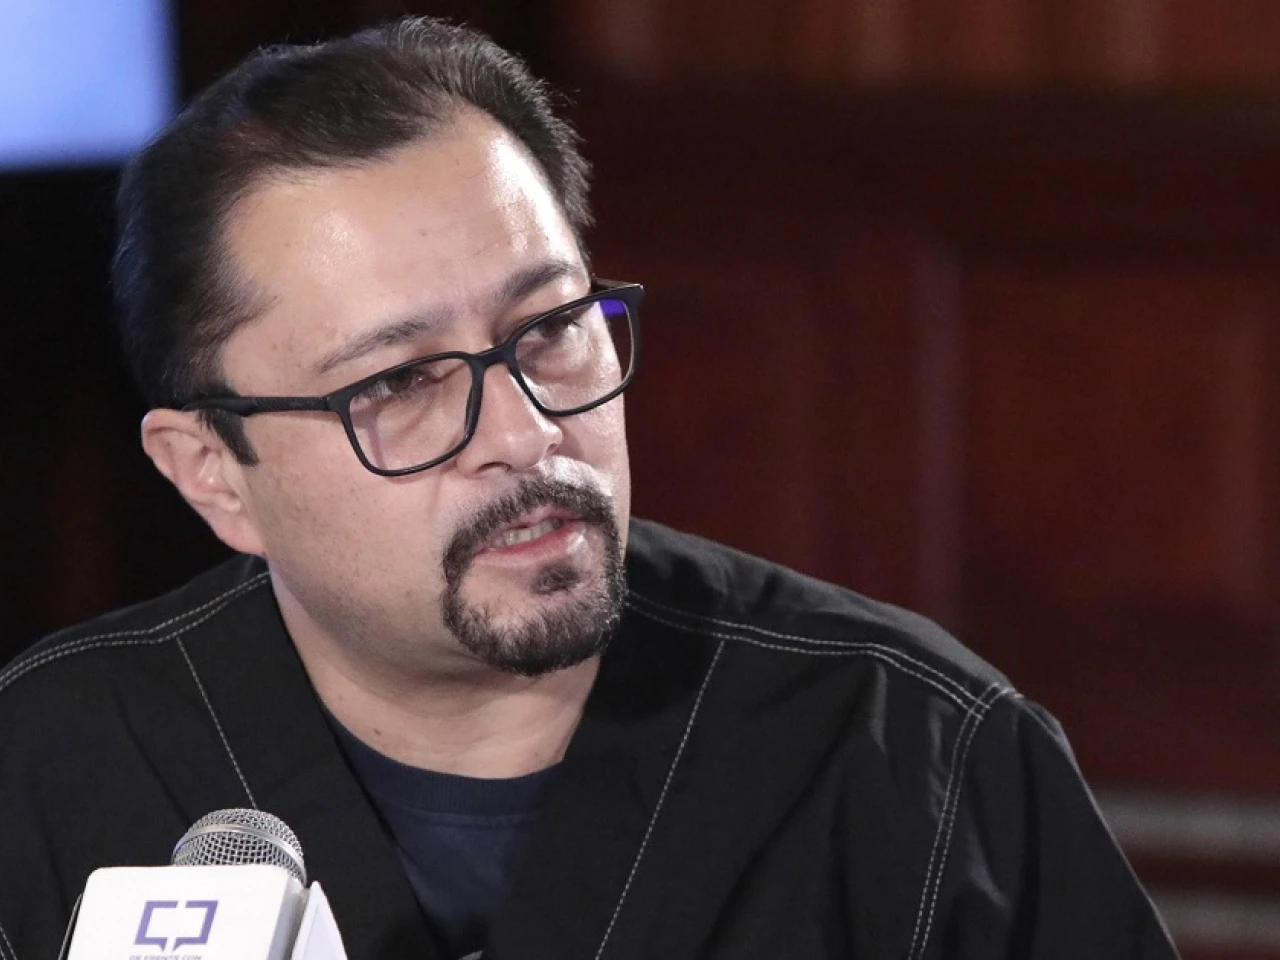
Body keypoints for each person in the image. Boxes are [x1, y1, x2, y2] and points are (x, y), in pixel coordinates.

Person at [0, 16, 1177, 960]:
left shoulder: (913, 757)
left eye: (551, 328)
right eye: (400, 382)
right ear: (213, 474)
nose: (525, 432)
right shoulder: (47, 766)